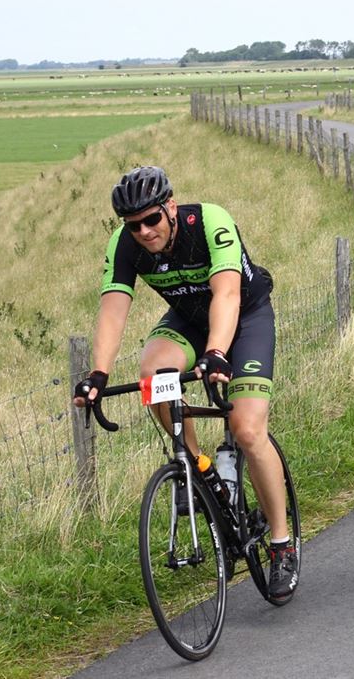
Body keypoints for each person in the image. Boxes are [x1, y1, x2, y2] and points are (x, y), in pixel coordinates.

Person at [71, 166, 297, 597]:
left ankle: (282, 545)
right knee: (152, 376)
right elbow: (113, 310)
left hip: (244, 317)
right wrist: (98, 375)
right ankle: (198, 469)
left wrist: (216, 354)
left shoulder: (209, 221)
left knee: (247, 429)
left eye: (152, 219)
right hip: (188, 321)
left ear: (171, 208)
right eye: (133, 225)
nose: (144, 231)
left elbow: (228, 295)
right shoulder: (126, 245)